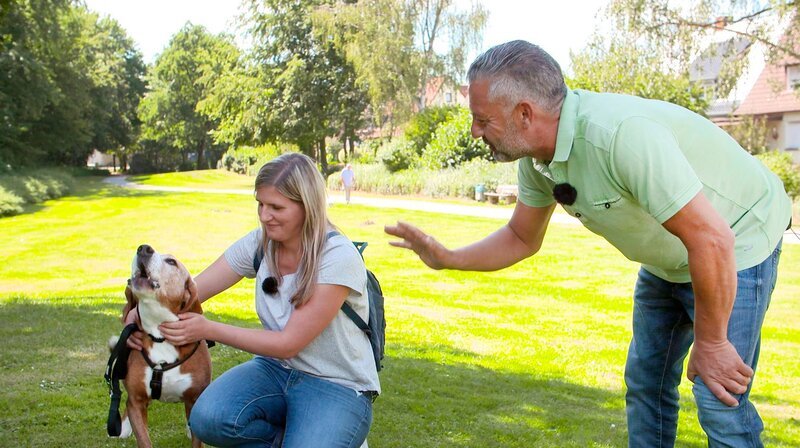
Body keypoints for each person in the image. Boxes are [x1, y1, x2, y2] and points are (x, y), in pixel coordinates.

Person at [385, 40, 790, 447]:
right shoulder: (538, 160)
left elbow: (712, 238)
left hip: (737, 241)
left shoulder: (618, 136)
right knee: (646, 383)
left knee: (718, 394)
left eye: (482, 120)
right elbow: (521, 237)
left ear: (525, 113)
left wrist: (714, 342)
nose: (475, 131)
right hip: (671, 257)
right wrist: (446, 257)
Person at [126, 153, 379, 447]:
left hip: (337, 384)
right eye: (260, 204)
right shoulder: (260, 244)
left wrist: (207, 329)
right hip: (276, 371)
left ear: (307, 207)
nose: (264, 215)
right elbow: (193, 288)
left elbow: (289, 343)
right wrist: (138, 317)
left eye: (276, 207)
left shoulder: (338, 257)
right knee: (207, 418)